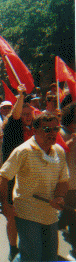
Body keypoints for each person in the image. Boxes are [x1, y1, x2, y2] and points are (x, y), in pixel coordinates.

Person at [0, 112, 69, 262]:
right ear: (35, 131)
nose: (52, 133)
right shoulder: (23, 151)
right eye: (47, 129)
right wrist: (5, 204)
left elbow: (63, 180)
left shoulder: (59, 152)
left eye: (55, 129)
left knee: (50, 257)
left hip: (50, 215)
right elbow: (3, 177)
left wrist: (60, 197)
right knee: (32, 256)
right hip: (27, 213)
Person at [1, 84, 34, 261]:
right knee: (13, 217)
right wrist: (20, 95)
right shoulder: (12, 128)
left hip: (30, 180)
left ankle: (27, 246)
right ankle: (13, 248)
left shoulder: (34, 130)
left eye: (30, 114)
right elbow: (15, 115)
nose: (28, 117)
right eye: (25, 114)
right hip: (12, 179)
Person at [59, 102, 76, 259]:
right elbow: (53, 158)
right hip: (69, 185)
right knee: (74, 219)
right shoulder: (62, 135)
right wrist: (66, 146)